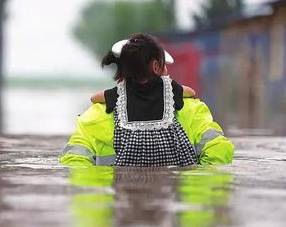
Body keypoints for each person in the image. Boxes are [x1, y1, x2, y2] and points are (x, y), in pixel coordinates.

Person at [60, 33, 234, 166]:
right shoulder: (190, 108)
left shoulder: (96, 114)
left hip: (118, 208)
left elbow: (75, 163)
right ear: (156, 66)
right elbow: (219, 151)